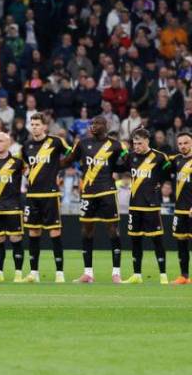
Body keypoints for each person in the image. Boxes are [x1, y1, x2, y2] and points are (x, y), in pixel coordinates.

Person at [61, 116, 127, 283]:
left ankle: (116, 273)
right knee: (86, 231)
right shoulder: (82, 143)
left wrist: (121, 164)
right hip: (88, 192)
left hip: (107, 192)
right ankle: (88, 273)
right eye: (92, 123)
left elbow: (126, 164)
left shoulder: (116, 145)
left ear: (106, 126)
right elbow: (69, 160)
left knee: (113, 231)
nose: (93, 126)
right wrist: (51, 164)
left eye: (97, 123)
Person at [20, 115, 71, 283]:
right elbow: (21, 165)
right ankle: (34, 272)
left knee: (55, 232)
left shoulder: (56, 142)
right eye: (32, 124)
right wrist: (27, 173)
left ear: (44, 127)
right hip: (33, 195)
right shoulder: (26, 146)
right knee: (33, 232)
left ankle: (59, 273)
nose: (34, 127)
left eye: (37, 124)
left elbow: (72, 154)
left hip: (50, 194)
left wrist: (60, 170)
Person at [122, 128, 172, 284]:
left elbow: (169, 173)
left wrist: (159, 184)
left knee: (157, 240)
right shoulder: (130, 157)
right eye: (134, 143)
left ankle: (163, 275)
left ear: (147, 141)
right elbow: (120, 167)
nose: (136, 146)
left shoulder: (159, 157)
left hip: (151, 206)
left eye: (139, 143)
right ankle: (137, 274)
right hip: (135, 205)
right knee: (135, 240)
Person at [0, 132, 25, 283]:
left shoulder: (17, 162)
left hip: (13, 207)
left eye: (1, 141)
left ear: (9, 143)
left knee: (15, 239)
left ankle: (18, 274)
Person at [172, 132, 192, 284]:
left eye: (186, 143)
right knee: (181, 243)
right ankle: (184, 276)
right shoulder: (176, 160)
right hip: (180, 209)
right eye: (180, 144)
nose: (183, 146)